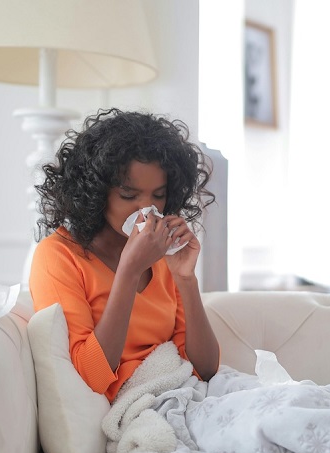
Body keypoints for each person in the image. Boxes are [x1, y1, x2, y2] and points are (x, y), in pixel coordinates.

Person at [29, 108, 220, 402]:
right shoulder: (58, 256)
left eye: (158, 195)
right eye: (129, 196)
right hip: (143, 406)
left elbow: (205, 369)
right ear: (96, 192)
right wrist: (129, 272)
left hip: (186, 395)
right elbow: (90, 376)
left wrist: (186, 279)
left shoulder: (164, 254)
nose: (147, 209)